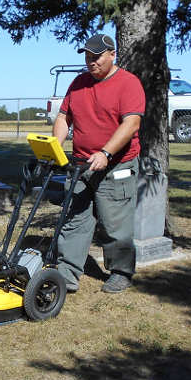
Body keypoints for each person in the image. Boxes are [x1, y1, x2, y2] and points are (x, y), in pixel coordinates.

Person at [52, 33, 145, 293]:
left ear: (112, 54)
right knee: (74, 221)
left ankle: (121, 271)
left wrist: (106, 152)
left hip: (117, 165)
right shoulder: (79, 83)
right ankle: (67, 273)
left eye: (97, 57)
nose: (91, 62)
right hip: (81, 165)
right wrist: (56, 146)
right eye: (88, 57)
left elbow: (131, 124)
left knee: (115, 223)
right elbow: (63, 117)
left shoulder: (128, 83)